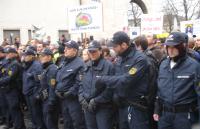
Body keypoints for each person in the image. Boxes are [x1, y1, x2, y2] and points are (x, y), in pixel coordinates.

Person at [95, 31, 150, 129]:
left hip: (136, 107)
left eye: (115, 46)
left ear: (124, 45)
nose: (113, 49)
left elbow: (126, 80)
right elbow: (116, 77)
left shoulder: (140, 59)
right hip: (121, 105)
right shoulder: (119, 58)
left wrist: (103, 79)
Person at [153, 32, 200, 129]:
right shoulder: (163, 65)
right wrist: (157, 109)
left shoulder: (194, 66)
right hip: (165, 116)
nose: (170, 50)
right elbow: (160, 89)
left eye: (174, 47)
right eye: (168, 47)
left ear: (182, 46)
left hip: (184, 116)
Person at [79, 40, 114, 129]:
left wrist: (96, 100)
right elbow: (80, 83)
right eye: (90, 51)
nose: (92, 53)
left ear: (100, 51)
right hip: (87, 106)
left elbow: (110, 88)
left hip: (103, 107)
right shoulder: (86, 65)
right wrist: (81, 97)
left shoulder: (109, 66)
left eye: (94, 51)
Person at [55, 40, 86, 129]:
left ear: (75, 51)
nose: (65, 50)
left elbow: (80, 82)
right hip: (63, 99)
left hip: (74, 100)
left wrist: (69, 92)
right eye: (65, 48)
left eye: (68, 48)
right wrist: (57, 89)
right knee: (67, 123)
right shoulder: (64, 62)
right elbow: (60, 78)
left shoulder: (80, 63)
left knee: (77, 123)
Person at [0, 47, 26, 129]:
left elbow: (11, 78)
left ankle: (19, 126)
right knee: (9, 108)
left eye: (8, 53)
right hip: (7, 90)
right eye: (6, 53)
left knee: (15, 109)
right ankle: (12, 124)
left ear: (13, 54)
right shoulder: (8, 63)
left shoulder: (15, 64)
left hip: (14, 90)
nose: (7, 55)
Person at [22, 48, 46, 129]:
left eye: (26, 56)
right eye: (24, 55)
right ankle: (35, 126)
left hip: (33, 94)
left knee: (37, 114)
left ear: (32, 56)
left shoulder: (37, 65)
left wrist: (37, 94)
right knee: (32, 114)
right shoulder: (27, 65)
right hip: (27, 93)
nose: (24, 57)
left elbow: (40, 82)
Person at [38, 48, 59, 129]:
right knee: (47, 121)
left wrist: (51, 102)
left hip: (50, 100)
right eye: (41, 56)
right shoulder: (46, 68)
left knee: (51, 123)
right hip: (45, 99)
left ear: (49, 57)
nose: (41, 57)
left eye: (43, 56)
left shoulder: (52, 69)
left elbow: (52, 87)